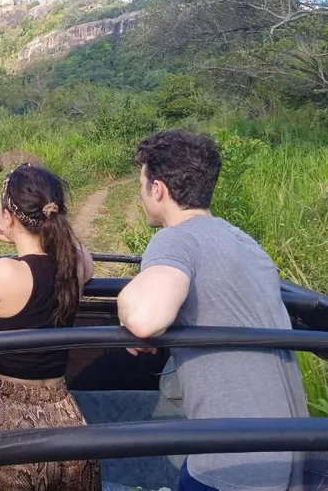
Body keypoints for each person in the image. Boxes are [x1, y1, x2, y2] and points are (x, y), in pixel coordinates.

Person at [116, 129, 310, 491]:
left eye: (141, 184)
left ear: (158, 189)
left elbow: (144, 318)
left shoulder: (176, 239)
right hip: (287, 450)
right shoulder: (244, 242)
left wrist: (125, 305)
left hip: (232, 465)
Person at [0, 163, 101, 491]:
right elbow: (82, 255)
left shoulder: (6, 273)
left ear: (8, 216)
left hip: (6, 420)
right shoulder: (75, 265)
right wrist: (23, 228)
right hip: (67, 420)